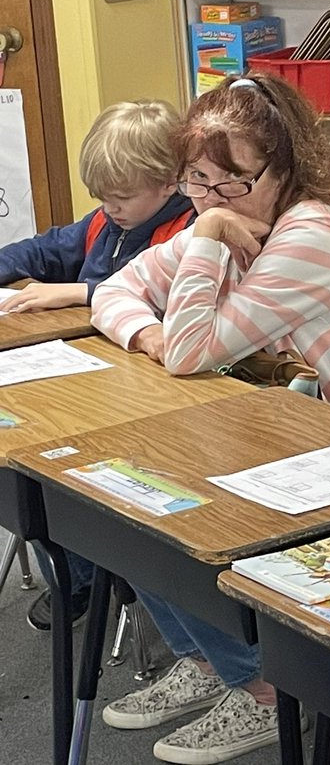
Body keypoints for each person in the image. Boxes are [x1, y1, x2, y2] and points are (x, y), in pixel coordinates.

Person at [92, 73, 330, 765]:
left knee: (180, 507)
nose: (210, 199)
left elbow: (194, 351)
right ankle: (210, 664)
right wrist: (149, 334)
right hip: (307, 433)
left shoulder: (310, 234)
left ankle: (260, 687)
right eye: (195, 182)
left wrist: (202, 238)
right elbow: (116, 290)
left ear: (283, 166)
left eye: (230, 182)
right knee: (123, 502)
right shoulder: (228, 213)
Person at [0, 99, 193, 632]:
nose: (111, 208)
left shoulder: (189, 230)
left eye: (123, 196)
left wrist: (77, 291)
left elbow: (161, 299)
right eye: (102, 197)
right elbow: (37, 251)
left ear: (171, 181)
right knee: (34, 464)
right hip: (84, 375)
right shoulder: (102, 223)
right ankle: (79, 576)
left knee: (80, 480)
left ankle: (106, 573)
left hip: (151, 392)